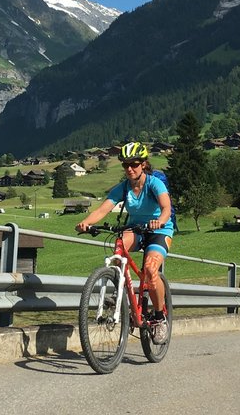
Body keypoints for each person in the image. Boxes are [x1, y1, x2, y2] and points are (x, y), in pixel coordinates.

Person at [75, 141, 174, 344]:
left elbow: (166, 208)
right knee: (119, 243)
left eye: (134, 164)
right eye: (125, 165)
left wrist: (160, 221)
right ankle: (118, 288)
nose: (129, 168)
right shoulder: (123, 188)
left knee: (150, 269)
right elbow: (103, 210)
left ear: (143, 164)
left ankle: (158, 317)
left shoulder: (154, 183)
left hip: (159, 230)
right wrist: (86, 222)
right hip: (136, 229)